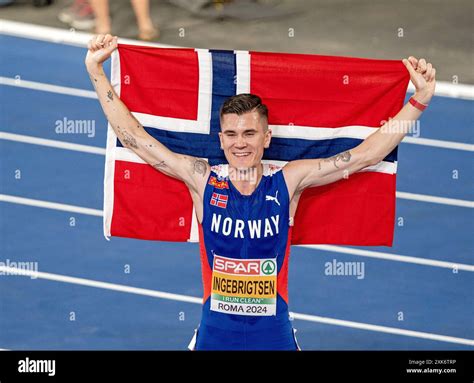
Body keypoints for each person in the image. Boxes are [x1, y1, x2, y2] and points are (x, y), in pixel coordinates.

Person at [85, 34, 436, 350]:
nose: (241, 143)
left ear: (266, 138)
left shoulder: (289, 180)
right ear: (220, 139)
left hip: (274, 336)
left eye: (250, 133)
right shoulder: (202, 180)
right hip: (214, 336)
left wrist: (418, 99)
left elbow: (365, 155)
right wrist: (97, 72)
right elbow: (135, 139)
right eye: (232, 135)